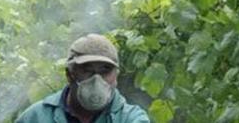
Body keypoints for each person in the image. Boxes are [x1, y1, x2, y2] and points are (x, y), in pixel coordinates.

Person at [15, 33, 150, 123]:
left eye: (105, 70)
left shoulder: (130, 118)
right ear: (69, 74)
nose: (97, 80)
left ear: (116, 76)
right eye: (87, 70)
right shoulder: (36, 117)